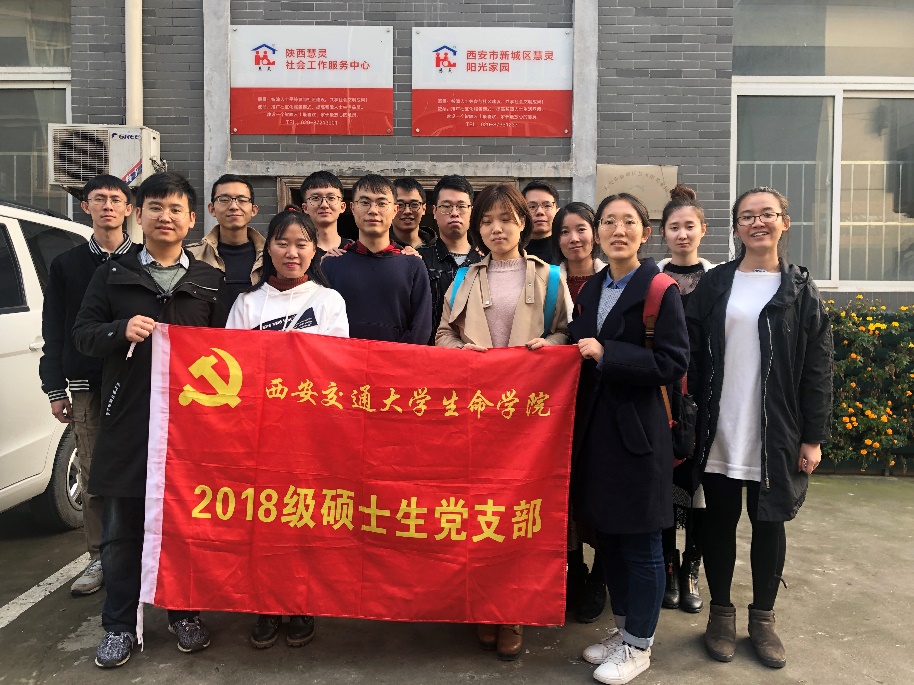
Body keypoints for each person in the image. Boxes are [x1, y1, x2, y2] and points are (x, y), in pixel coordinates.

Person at [73, 172, 228, 669]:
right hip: (128, 422)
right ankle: (119, 625)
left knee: (185, 525)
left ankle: (183, 613)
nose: (165, 217)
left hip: (190, 429)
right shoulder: (112, 275)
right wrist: (120, 329)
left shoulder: (208, 282)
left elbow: (229, 353)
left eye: (175, 209)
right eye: (156, 208)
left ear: (191, 219)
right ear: (138, 215)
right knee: (121, 532)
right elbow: (83, 335)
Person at [687, 186, 833, 669]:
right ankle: (721, 615)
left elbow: (818, 370)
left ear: (784, 222)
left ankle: (763, 619)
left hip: (776, 432)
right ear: (736, 227)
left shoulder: (799, 290)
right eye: (747, 216)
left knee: (770, 524)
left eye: (767, 214)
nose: (757, 223)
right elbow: (690, 353)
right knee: (719, 523)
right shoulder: (716, 284)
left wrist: (813, 438)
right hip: (720, 429)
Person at [435, 183, 570, 662]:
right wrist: (461, 351)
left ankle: (511, 611)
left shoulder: (550, 277)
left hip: (528, 421)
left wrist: (549, 347)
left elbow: (566, 332)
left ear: (523, 224)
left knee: (518, 514)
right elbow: (442, 333)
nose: (497, 229)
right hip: (474, 415)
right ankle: (480, 604)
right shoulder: (464, 278)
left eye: (507, 219)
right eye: (488, 221)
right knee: (474, 512)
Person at [569, 193, 688, 685]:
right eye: (609, 222)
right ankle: (624, 632)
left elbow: (672, 362)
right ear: (598, 232)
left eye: (629, 222)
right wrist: (550, 347)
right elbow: (576, 341)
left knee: (641, 542)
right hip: (598, 437)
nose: (618, 230)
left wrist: (608, 353)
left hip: (639, 437)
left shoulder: (660, 289)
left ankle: (640, 645)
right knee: (612, 541)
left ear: (645, 232)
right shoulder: (593, 287)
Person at [226, 210, 348, 648]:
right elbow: (234, 367)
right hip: (260, 431)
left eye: (301, 243)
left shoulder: (329, 301)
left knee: (303, 516)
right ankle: (265, 604)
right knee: (262, 520)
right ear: (269, 249)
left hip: (309, 431)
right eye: (282, 242)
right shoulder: (246, 304)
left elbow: (336, 366)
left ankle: (300, 601)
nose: (291, 252)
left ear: (315, 250)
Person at [39, 174, 135, 597]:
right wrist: (55, 387)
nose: (108, 206)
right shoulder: (67, 265)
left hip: (138, 382)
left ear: (129, 209)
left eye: (116, 199)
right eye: (99, 199)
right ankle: (99, 556)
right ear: (86, 207)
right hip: (87, 384)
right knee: (95, 472)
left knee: (142, 469)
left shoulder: (145, 261)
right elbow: (55, 327)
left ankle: (142, 552)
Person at [655, 184, 716, 615]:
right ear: (663, 233)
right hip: (662, 395)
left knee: (699, 487)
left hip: (706, 397)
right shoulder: (652, 279)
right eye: (674, 227)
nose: (682, 234)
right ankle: (668, 564)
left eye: (689, 226)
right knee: (662, 482)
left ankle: (691, 567)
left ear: (703, 230)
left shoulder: (719, 281)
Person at [550, 201, 608, 624]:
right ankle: (574, 571)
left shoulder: (612, 279)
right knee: (563, 490)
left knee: (602, 487)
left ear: (595, 232)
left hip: (604, 396)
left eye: (581, 229)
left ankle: (601, 575)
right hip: (558, 401)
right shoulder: (547, 280)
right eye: (565, 232)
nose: (574, 239)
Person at [321, 174, 432, 344]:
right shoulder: (332, 264)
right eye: (365, 202)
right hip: (343, 358)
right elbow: (321, 323)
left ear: (395, 209)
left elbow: (421, 328)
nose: (373, 210)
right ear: (352, 208)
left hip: (398, 358)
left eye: (382, 203)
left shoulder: (413, 265)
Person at [417, 175, 484, 344]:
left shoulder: (486, 260)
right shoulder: (418, 260)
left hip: (477, 353)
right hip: (431, 354)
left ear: (471, 211)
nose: (454, 213)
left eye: (461, 206)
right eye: (446, 207)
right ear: (434, 211)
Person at [186, 173, 264, 307]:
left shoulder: (270, 256)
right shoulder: (191, 256)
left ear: (253, 210)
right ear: (212, 209)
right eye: (224, 200)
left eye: (242, 200)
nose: (234, 206)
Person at [299, 170, 354, 257]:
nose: (324, 205)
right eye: (316, 198)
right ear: (305, 208)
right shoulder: (298, 253)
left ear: (342, 206)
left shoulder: (354, 251)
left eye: (331, 198)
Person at [522, 180, 560, 265]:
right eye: (532, 206)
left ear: (557, 211)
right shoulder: (512, 251)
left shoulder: (566, 250)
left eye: (547, 206)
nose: (540, 212)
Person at [391, 177, 435, 249]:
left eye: (414, 204)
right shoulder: (379, 249)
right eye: (400, 205)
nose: (407, 211)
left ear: (424, 208)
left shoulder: (438, 249)